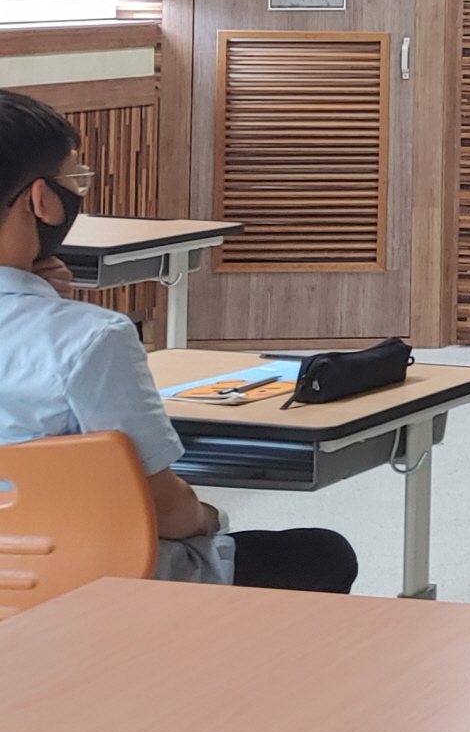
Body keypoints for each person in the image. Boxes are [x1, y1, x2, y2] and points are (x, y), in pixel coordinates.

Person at [0, 90, 357, 592]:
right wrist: (210, 517)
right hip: (80, 591)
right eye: (74, 180)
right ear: (42, 200)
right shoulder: (89, 338)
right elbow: (166, 511)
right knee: (322, 554)